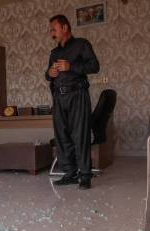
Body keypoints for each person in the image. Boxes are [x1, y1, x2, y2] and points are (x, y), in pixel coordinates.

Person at [46, 14, 100, 189]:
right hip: (59, 98)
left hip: (77, 96)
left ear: (64, 28)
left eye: (53, 29)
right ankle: (69, 173)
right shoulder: (54, 53)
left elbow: (94, 66)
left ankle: (85, 175)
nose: (51, 32)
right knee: (62, 136)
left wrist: (71, 67)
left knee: (80, 135)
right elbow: (48, 75)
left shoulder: (82, 45)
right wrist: (50, 74)